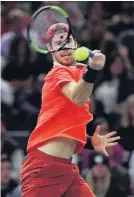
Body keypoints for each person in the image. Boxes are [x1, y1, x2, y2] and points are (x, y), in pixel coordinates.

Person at [20, 22, 120, 197]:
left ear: (76, 45)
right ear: (50, 50)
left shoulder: (80, 73)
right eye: (59, 43)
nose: (64, 46)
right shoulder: (57, 74)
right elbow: (77, 97)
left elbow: (67, 121)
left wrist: (89, 141)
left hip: (67, 168)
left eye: (68, 41)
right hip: (43, 170)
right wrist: (93, 70)